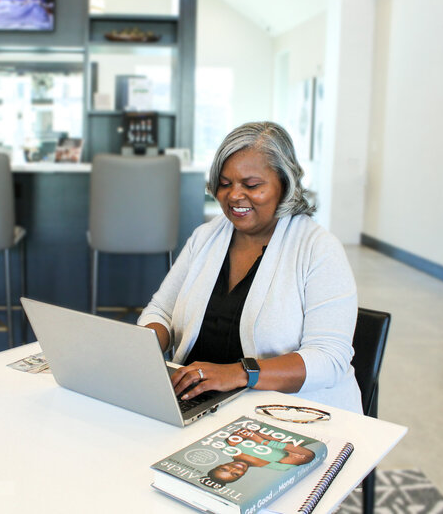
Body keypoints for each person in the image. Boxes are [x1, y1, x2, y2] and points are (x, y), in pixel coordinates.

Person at [137, 121, 362, 413]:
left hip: (289, 416)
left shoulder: (318, 249)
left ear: (285, 184)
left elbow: (329, 358)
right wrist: (142, 350)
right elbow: (161, 311)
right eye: (225, 183)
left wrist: (239, 373)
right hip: (201, 404)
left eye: (252, 185)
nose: (234, 196)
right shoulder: (206, 237)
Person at [204, 428, 318, 485]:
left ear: (220, 464)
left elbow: (246, 430)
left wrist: (288, 446)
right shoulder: (277, 467)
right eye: (235, 474)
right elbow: (308, 455)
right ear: (242, 475)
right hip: (310, 432)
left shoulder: (226, 447)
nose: (235, 468)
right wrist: (263, 441)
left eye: (224, 469)